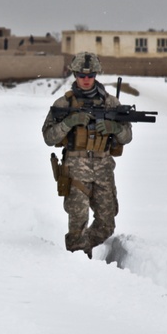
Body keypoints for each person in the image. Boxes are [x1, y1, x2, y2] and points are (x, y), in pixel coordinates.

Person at [41, 52, 132, 258]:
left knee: (107, 224)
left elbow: (127, 137)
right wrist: (69, 123)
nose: (86, 79)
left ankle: (81, 247)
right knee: (77, 220)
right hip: (75, 170)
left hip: (103, 169)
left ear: (96, 75)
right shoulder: (63, 104)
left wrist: (114, 127)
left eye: (90, 76)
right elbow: (49, 137)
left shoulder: (111, 103)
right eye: (81, 75)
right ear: (74, 74)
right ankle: (78, 261)